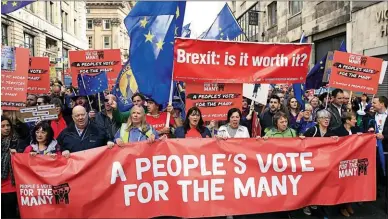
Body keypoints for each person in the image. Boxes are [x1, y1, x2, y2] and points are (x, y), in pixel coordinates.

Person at [331, 112, 361, 217]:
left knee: (352, 184)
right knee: (343, 185)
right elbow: (326, 140)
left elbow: (366, 137)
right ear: (347, 120)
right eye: (354, 119)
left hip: (353, 162)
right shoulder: (336, 131)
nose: (356, 121)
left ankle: (348, 203)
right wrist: (333, 139)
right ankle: (342, 206)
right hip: (342, 163)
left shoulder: (357, 130)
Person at [368, 96, 388, 213]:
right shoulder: (370, 116)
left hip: (386, 150)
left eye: (374, 103)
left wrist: (384, 137)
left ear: (382, 104)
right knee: (374, 173)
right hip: (372, 150)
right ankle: (373, 195)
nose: (372, 105)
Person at [1, 117, 19, 219]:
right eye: (2, 126)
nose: (6, 128)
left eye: (8, 125)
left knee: (10, 214)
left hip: (9, 185)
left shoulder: (16, 141)